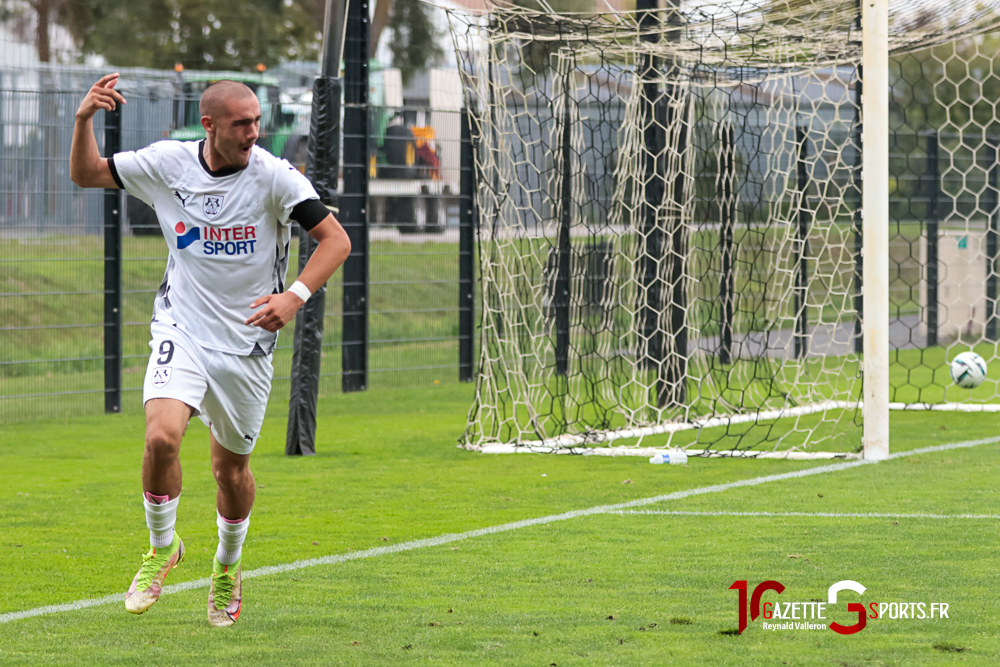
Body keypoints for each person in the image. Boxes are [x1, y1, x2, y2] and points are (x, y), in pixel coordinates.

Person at [70, 74, 350, 627]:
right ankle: (161, 549)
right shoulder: (167, 164)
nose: (254, 133)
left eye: (256, 122)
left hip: (246, 350)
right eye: (242, 123)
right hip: (183, 329)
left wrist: (293, 298)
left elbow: (335, 240)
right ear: (210, 125)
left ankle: (226, 566)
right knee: (161, 436)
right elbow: (86, 173)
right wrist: (82, 121)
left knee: (231, 473)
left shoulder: (274, 177)